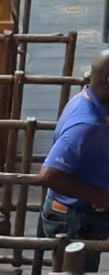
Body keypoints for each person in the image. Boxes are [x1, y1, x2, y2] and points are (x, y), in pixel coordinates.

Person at [39, 52, 109, 257]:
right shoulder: (86, 124)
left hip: (86, 212)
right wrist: (95, 196)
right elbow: (48, 175)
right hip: (75, 218)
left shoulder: (88, 98)